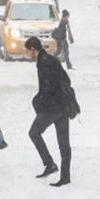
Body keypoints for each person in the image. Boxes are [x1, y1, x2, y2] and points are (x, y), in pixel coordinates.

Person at [25, 36, 72, 187]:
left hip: (52, 107)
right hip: (63, 106)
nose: (27, 54)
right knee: (64, 143)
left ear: (33, 49)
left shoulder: (43, 64)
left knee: (34, 133)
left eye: (28, 51)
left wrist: (40, 102)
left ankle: (49, 164)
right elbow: (66, 79)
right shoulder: (52, 59)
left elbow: (47, 87)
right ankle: (65, 176)